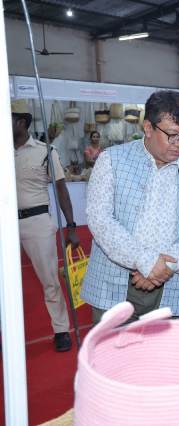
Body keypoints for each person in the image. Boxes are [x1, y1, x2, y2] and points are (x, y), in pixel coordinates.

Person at [82, 90, 179, 323]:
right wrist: (146, 261)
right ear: (148, 128)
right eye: (173, 135)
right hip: (115, 282)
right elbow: (100, 219)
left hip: (173, 283)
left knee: (165, 358)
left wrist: (165, 266)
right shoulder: (112, 160)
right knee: (114, 357)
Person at [12, 99, 79, 352]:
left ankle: (61, 330)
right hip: (5, 224)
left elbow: (61, 189)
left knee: (49, 279)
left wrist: (71, 226)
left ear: (20, 122)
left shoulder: (45, 151)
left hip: (37, 222)